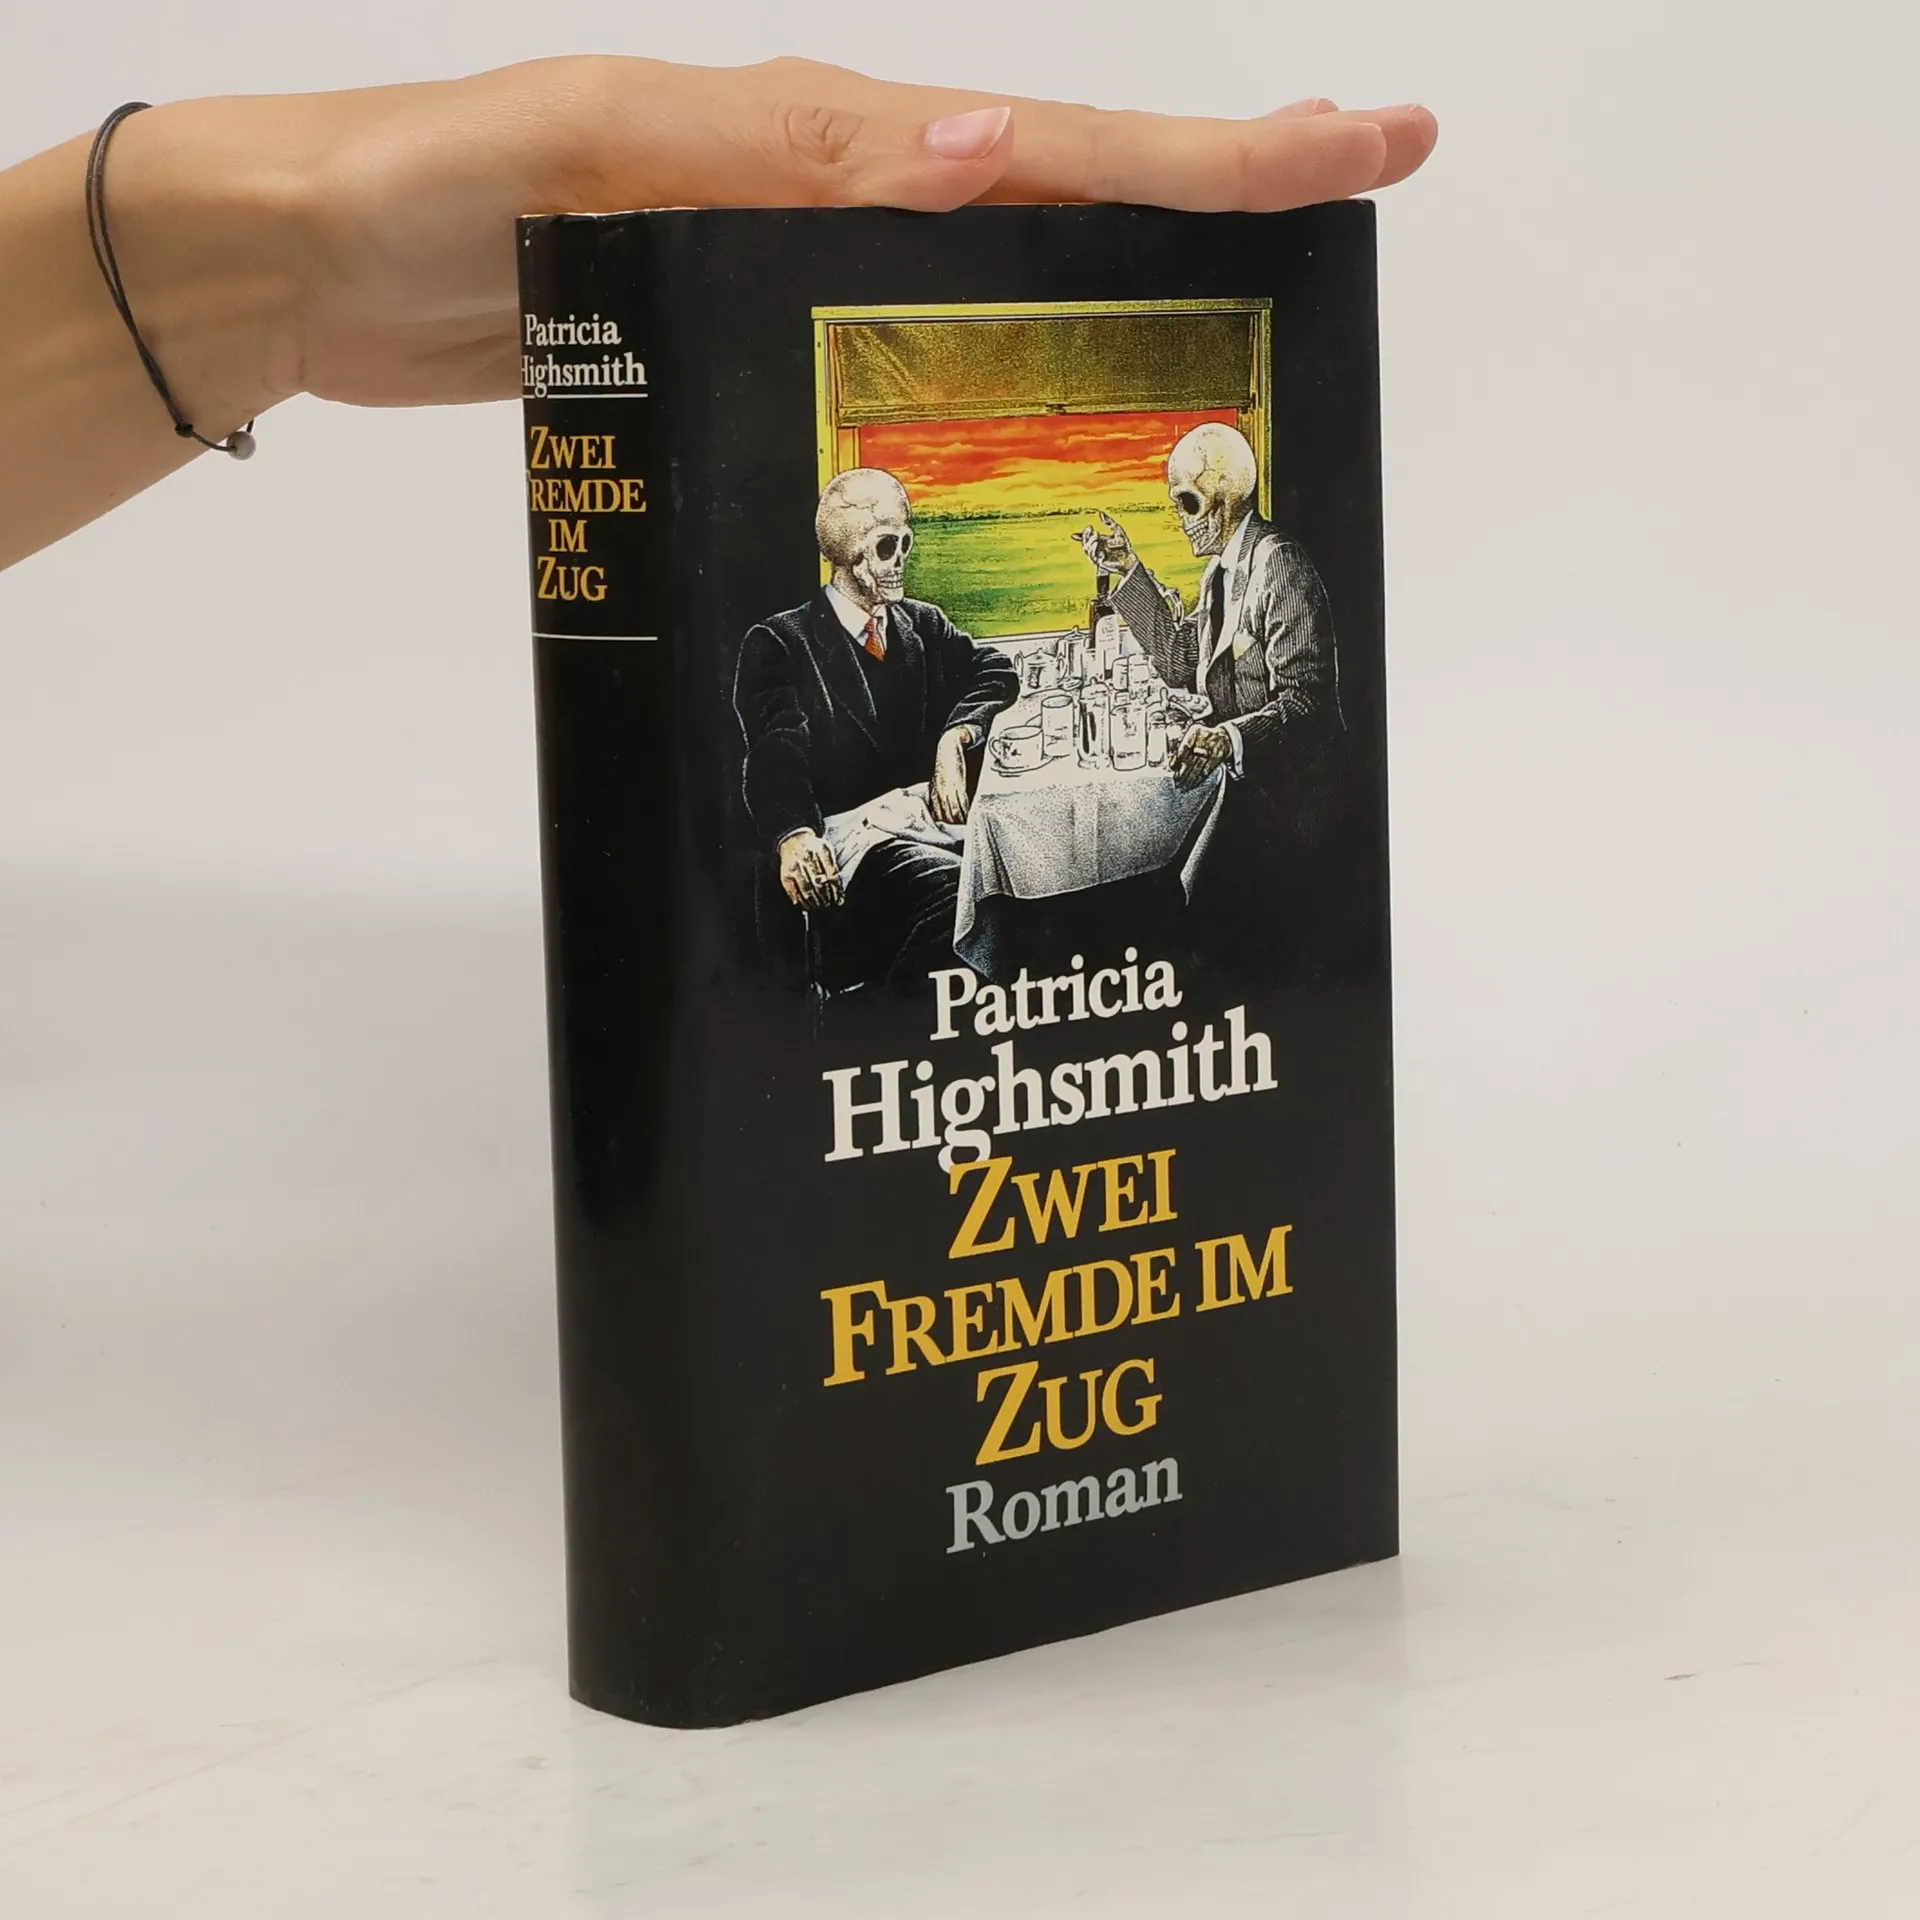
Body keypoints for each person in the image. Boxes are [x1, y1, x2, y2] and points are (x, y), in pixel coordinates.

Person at [0, 59, 1436, 570]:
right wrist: (271, 264)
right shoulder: (804, 648)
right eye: (881, 545)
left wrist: (281, 262)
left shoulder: (1268, 582)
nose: (893, 563)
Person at [1077, 421, 1352, 973]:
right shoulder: (1220, 572)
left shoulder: (1281, 566)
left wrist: (1226, 739)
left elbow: (1305, 704)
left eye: (1188, 503)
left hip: (1286, 804)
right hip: (1242, 789)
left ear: (1226, 500)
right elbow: (1183, 660)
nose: (1181, 519)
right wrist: (1128, 570)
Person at [734, 468, 1018, 989]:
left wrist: (954, 739)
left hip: (926, 827)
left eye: (906, 543)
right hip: (852, 847)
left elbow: (995, 670)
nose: (901, 560)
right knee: (963, 898)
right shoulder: (780, 643)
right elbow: (775, 753)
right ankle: (893, 1026)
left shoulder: (922, 623)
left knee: (1022, 882)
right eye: (887, 546)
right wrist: (795, 836)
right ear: (848, 554)